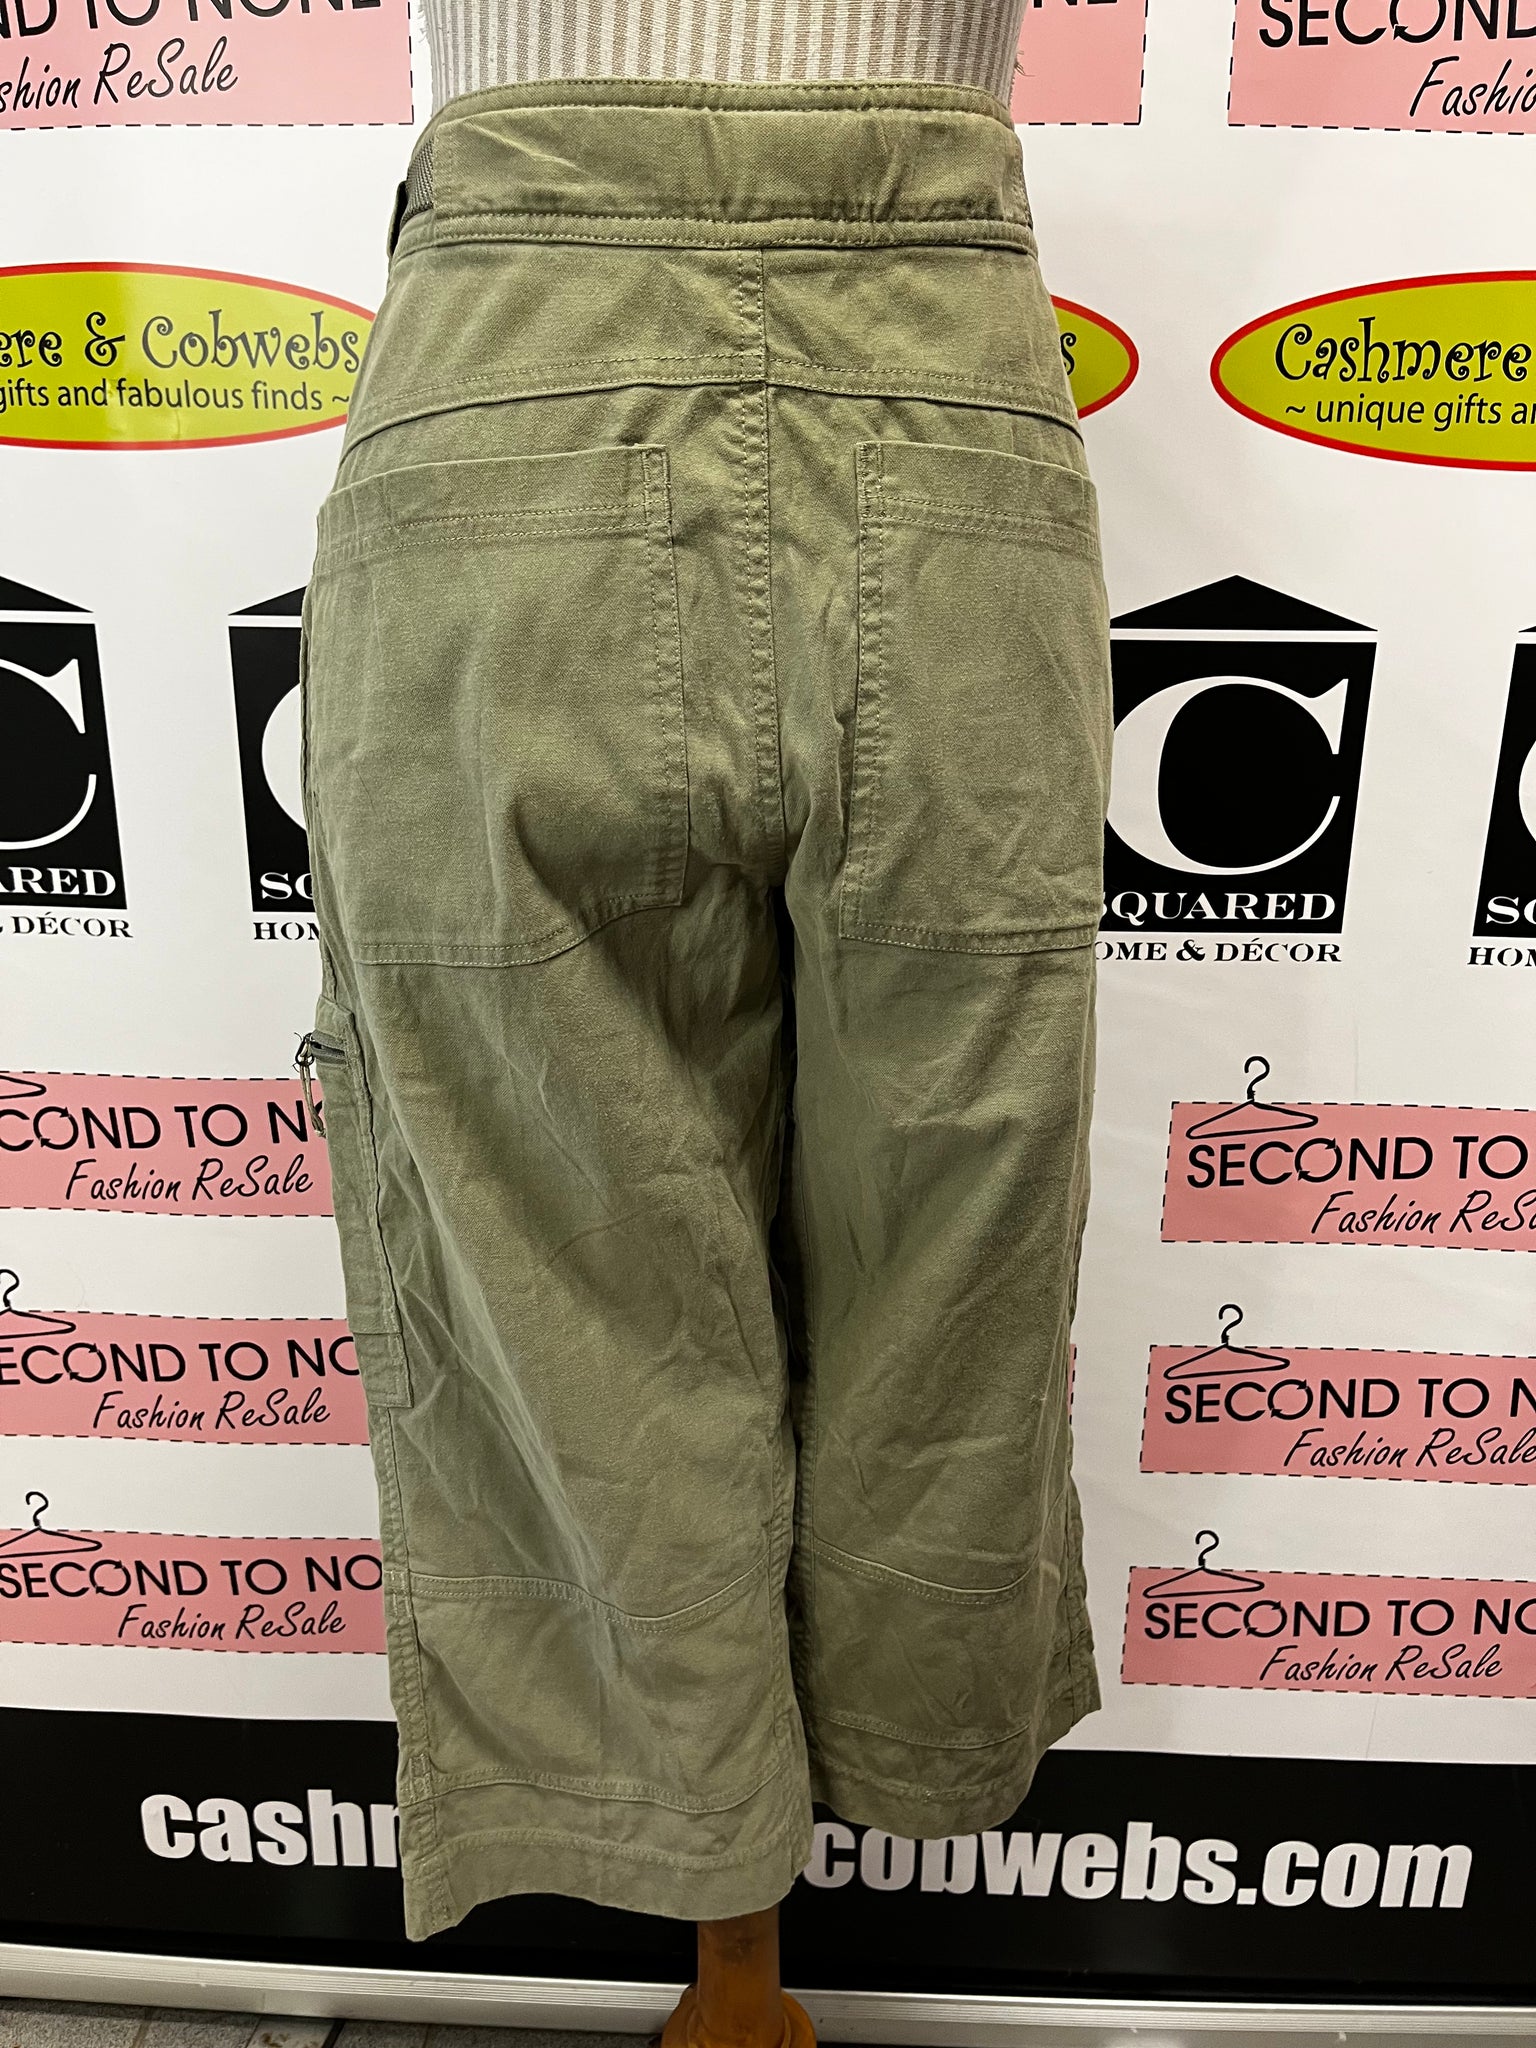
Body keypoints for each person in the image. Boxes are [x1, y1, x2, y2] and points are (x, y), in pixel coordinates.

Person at [296, 0, 1111, 1944]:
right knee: (949, 1231)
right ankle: (825, 1821)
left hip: (511, 381)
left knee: (552, 1242)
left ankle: (685, 1845)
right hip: (942, 377)